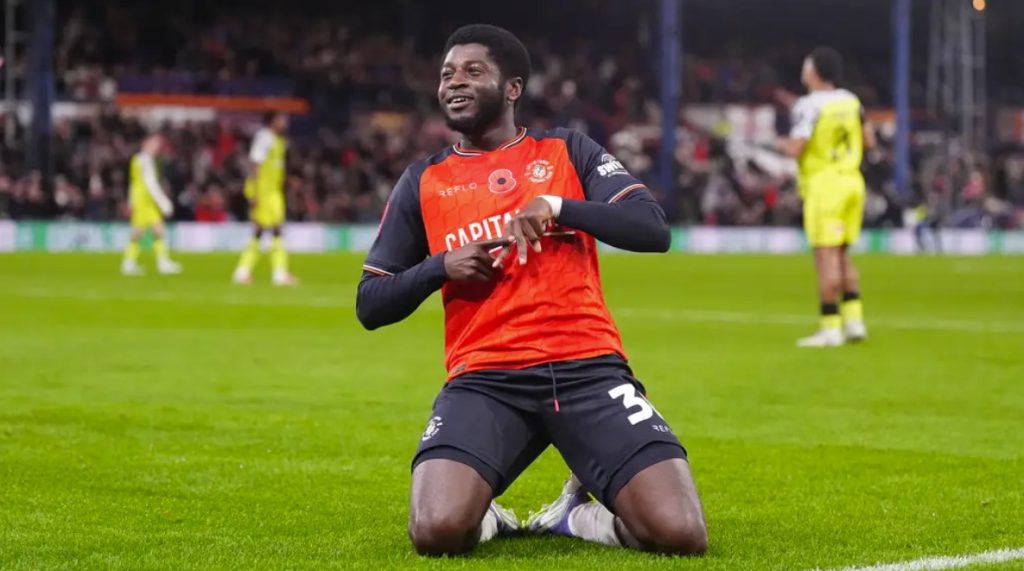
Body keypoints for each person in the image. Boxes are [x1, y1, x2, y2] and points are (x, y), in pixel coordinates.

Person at [356, 24, 707, 557]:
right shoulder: (423, 180)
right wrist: (440, 267)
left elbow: (652, 230)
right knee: (437, 531)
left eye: (473, 71)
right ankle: (487, 512)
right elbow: (370, 304)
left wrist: (557, 205)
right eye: (447, 73)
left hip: (588, 369)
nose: (455, 82)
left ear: (512, 88)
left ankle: (583, 515)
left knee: (681, 535)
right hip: (486, 379)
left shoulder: (567, 150)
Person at [775, 47, 873, 347]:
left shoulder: (809, 105)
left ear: (815, 71)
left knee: (825, 255)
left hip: (825, 184)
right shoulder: (851, 101)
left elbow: (796, 148)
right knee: (843, 252)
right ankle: (854, 321)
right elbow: (869, 140)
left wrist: (776, 143)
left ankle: (830, 327)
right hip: (853, 181)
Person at [232, 111, 298, 286]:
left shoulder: (278, 140)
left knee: (265, 231)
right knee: (270, 230)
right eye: (281, 119)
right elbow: (255, 164)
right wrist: (254, 193)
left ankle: (246, 271)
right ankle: (275, 273)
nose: (285, 122)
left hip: (272, 192)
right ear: (272, 121)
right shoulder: (264, 138)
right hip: (264, 192)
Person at [121, 134, 182, 276]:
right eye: (155, 144)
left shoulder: (138, 159)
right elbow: (150, 183)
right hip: (144, 200)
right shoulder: (145, 160)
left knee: (158, 229)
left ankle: (162, 262)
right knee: (139, 232)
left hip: (143, 199)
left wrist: (131, 201)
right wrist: (163, 202)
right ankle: (129, 262)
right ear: (146, 143)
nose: (157, 147)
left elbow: (133, 182)